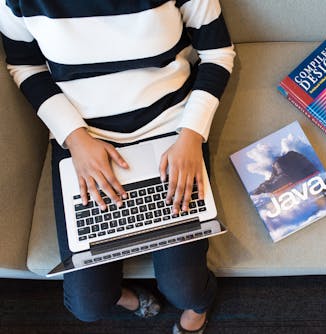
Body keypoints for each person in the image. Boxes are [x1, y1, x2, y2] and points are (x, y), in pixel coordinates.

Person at [0, 0, 235, 332]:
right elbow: (25, 66)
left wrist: (192, 135)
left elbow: (217, 53)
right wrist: (76, 139)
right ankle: (126, 297)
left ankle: (198, 308)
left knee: (186, 287)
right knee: (87, 304)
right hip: (84, 138)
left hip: (171, 130)